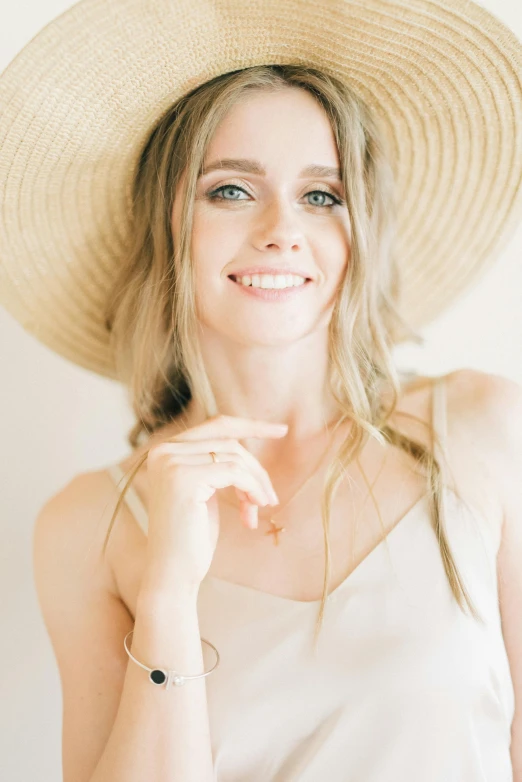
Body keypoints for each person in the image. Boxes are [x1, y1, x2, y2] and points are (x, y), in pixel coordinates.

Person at [1, 2, 522, 781]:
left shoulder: (483, 427)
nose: (283, 229)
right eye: (231, 191)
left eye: (322, 196)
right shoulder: (88, 528)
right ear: (166, 224)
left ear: (359, 231)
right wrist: (170, 591)